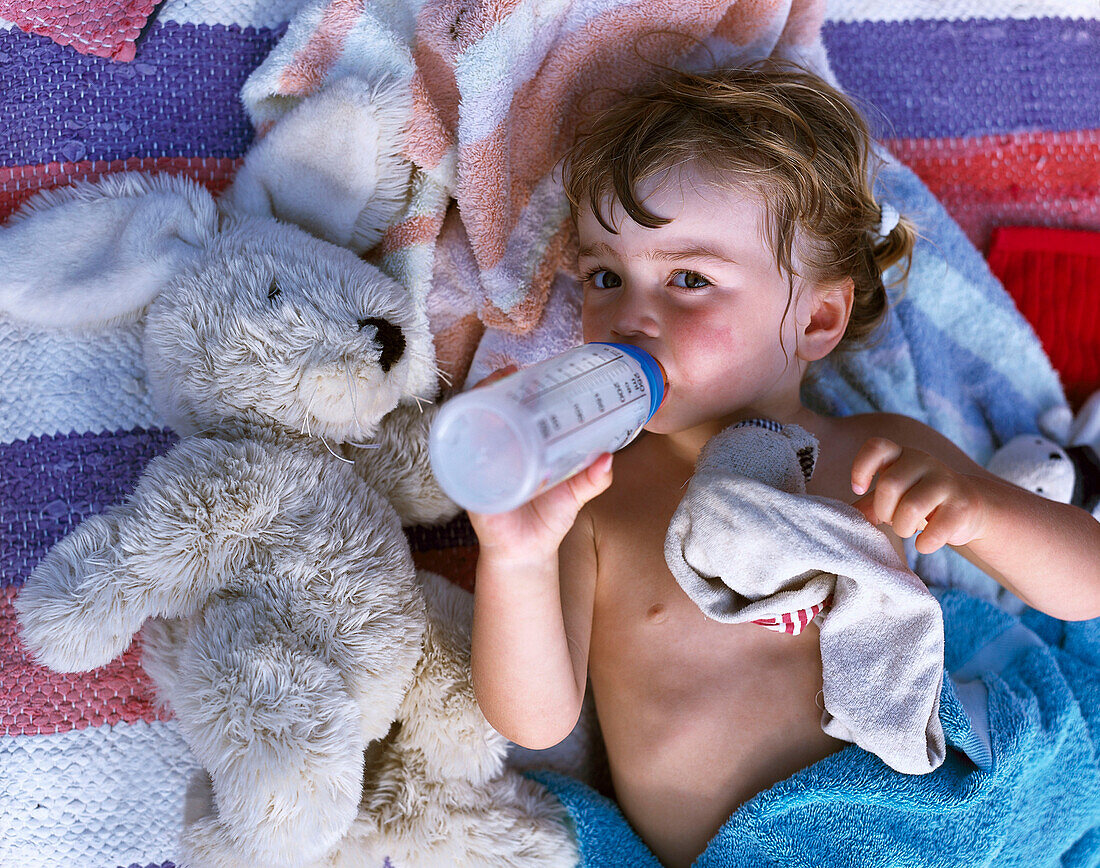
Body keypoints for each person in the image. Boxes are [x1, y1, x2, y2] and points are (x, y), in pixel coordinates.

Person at [466, 63, 1100, 868]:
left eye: (689, 279)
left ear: (818, 317)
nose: (632, 316)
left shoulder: (875, 452)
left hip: (923, 828)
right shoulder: (595, 497)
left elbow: (1087, 587)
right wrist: (512, 558)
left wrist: (984, 508)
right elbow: (535, 721)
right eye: (604, 276)